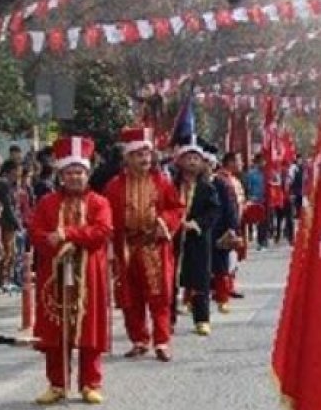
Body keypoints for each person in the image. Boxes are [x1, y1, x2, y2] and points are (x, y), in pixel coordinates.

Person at [30, 136, 114, 405]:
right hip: (54, 276)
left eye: (80, 172)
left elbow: (102, 231)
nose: (75, 177)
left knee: (89, 329)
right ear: (61, 175)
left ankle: (90, 383)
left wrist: (68, 234)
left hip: (89, 274)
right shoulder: (47, 203)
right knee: (55, 328)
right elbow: (36, 232)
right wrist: (53, 243)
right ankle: (57, 384)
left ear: (87, 174)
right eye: (69, 173)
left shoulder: (99, 202)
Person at [103, 127, 185, 361]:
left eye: (147, 154)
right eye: (139, 155)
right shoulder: (114, 186)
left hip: (154, 247)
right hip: (126, 248)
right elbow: (106, 216)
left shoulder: (162, 182)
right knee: (130, 298)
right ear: (127, 158)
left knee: (159, 296)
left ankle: (161, 341)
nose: (144, 159)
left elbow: (176, 208)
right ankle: (139, 339)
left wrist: (165, 222)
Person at [172, 141, 231, 336]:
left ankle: (202, 318)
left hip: (198, 239)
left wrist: (197, 223)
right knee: (170, 278)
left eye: (195, 158)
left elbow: (214, 210)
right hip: (173, 237)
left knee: (200, 278)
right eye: (188, 158)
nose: (191, 162)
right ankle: (169, 318)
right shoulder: (171, 185)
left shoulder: (207, 187)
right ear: (180, 161)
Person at [212, 151, 246, 314]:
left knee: (231, 261)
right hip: (223, 227)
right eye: (239, 160)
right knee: (221, 264)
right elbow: (227, 207)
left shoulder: (233, 179)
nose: (242, 164)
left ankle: (227, 289)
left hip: (234, 223)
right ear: (230, 162)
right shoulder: (221, 180)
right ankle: (221, 295)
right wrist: (231, 227)